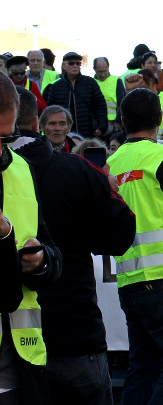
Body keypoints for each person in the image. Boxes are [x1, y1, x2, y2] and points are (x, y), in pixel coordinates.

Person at [12, 86, 136, 405]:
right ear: (34, 122)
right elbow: (121, 234)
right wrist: (105, 187)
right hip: (71, 335)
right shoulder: (78, 171)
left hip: (15, 345)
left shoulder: (65, 169)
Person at [107, 89, 163, 404]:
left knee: (142, 369)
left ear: (123, 120)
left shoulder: (111, 163)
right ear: (160, 119)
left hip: (130, 283)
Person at [0, 73, 63, 404]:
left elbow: (53, 253)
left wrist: (40, 260)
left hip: (22, 363)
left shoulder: (21, 169)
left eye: (6, 139)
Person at [42, 52, 109, 138]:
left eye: (78, 63)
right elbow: (50, 111)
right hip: (64, 135)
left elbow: (100, 106)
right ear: (64, 66)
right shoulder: (55, 87)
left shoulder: (90, 83)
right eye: (71, 63)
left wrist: (101, 127)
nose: (75, 66)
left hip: (88, 133)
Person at [92, 57, 125, 131]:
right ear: (94, 69)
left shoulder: (116, 81)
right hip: (96, 123)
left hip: (113, 123)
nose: (103, 75)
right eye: (100, 72)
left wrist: (118, 121)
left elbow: (122, 103)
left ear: (108, 67)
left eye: (105, 71)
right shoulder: (91, 83)